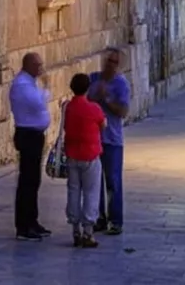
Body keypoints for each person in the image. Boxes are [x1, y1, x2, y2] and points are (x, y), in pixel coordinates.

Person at [9, 52, 52, 240]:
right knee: (27, 181)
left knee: (34, 180)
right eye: (38, 65)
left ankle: (32, 221)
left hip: (35, 135)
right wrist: (46, 86)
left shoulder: (29, 83)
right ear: (28, 65)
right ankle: (24, 226)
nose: (41, 68)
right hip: (28, 136)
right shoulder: (21, 85)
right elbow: (39, 102)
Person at [88, 49, 131, 236]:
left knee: (113, 181)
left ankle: (116, 220)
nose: (110, 65)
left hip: (112, 139)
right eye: (108, 61)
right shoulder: (94, 79)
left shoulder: (121, 84)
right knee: (95, 181)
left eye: (114, 62)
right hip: (94, 138)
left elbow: (123, 112)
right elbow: (87, 100)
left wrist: (107, 98)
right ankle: (99, 218)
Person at [62, 72, 106, 249]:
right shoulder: (94, 108)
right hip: (90, 155)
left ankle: (75, 230)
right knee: (91, 192)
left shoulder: (67, 107)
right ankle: (88, 232)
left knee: (73, 191)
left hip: (72, 155)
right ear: (88, 88)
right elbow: (103, 125)